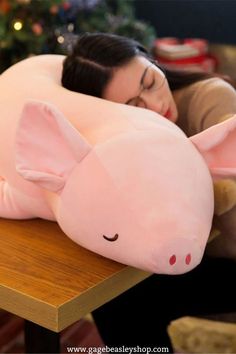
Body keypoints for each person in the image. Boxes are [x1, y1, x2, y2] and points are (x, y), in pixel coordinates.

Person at [61, 32, 236, 351]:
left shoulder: (210, 99)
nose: (156, 104)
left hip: (224, 252)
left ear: (152, 59)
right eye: (133, 106)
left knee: (125, 302)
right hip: (178, 254)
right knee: (112, 297)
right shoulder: (119, 138)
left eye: (150, 81)